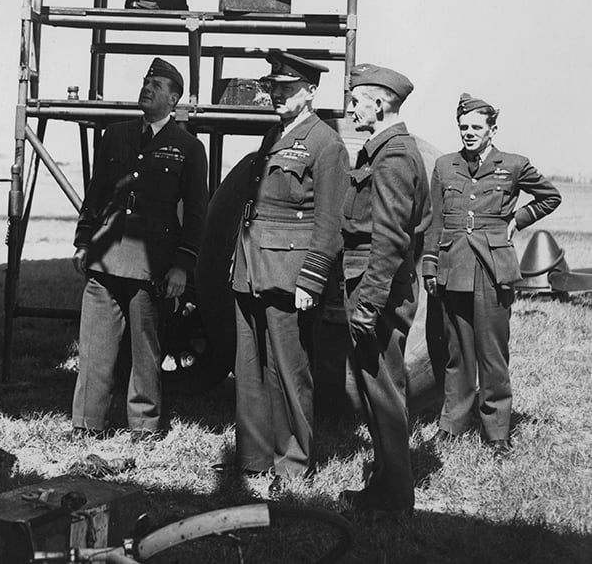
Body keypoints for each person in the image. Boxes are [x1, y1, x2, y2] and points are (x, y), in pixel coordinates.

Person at [225, 49, 349, 485]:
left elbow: (330, 221)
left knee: (289, 371)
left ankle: (293, 464)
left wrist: (312, 278)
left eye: (287, 87)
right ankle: (255, 457)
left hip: (289, 273)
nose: (276, 94)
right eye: (273, 86)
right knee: (250, 366)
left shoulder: (325, 144)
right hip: (252, 266)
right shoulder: (273, 136)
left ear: (310, 91)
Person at [71, 58, 208, 440]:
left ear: (174, 99)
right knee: (95, 348)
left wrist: (182, 265)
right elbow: (96, 193)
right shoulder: (116, 135)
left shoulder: (188, 147)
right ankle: (86, 423)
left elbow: (197, 213)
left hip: (152, 264)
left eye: (157, 85)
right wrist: (83, 241)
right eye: (146, 81)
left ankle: (144, 426)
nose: (147, 88)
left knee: (146, 350)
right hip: (105, 258)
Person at [422, 93, 561, 454]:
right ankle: (453, 424)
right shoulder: (445, 165)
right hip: (454, 267)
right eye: (463, 127)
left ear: (492, 130)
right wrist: (430, 264)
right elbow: (435, 220)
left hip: (493, 268)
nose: (469, 133)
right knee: (457, 352)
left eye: (476, 127)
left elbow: (550, 197)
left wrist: (518, 219)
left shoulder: (513, 165)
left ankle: (497, 432)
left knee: (492, 354)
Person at [338, 64, 431, 514]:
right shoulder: (385, 150)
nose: (351, 108)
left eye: (357, 101)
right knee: (377, 391)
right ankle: (383, 486)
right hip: (375, 284)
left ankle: (394, 497)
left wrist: (368, 303)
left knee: (385, 393)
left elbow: (391, 239)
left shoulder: (392, 157)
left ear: (379, 103)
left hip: (377, 289)